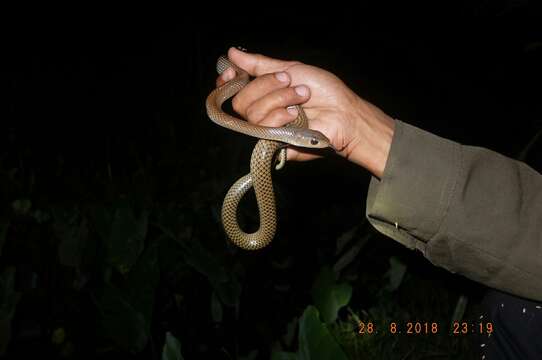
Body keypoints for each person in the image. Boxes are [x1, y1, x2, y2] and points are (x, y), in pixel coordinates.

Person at [215, 47, 542, 359]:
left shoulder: (285, 135)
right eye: (314, 141)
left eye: (315, 141)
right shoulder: (285, 129)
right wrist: (355, 122)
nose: (320, 146)